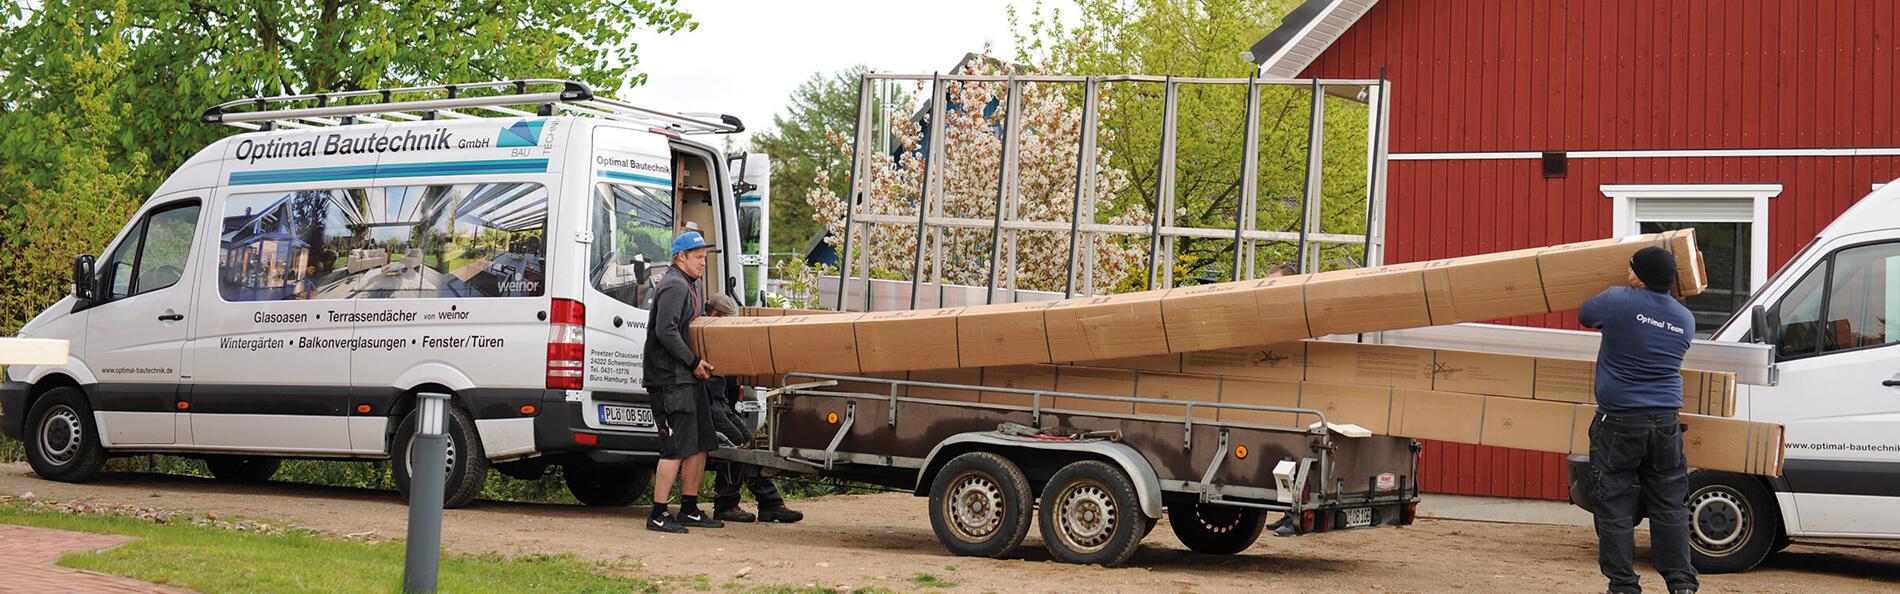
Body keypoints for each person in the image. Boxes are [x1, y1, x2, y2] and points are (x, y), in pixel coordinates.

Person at [1578, 246, 1698, 594]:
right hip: (1665, 425)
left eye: (1631, 268)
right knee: (1669, 506)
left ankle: (1624, 586)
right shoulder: (1684, 319)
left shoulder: (1618, 300)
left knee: (1614, 505)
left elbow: (1586, 314)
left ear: (1639, 275)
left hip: (1618, 424)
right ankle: (1681, 584)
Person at [642, 231, 723, 533]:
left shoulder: (693, 284)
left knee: (699, 444)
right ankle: (658, 514)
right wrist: (692, 361)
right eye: (698, 257)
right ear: (681, 257)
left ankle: (689, 508)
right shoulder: (674, 285)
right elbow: (666, 331)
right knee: (674, 448)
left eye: (705, 256)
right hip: (670, 379)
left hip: (690, 378)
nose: (703, 262)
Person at [700, 294, 805, 524]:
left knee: (752, 446)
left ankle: (771, 504)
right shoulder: (701, 336)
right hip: (708, 405)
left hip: (722, 405)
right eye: (725, 319)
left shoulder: (719, 339)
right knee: (737, 448)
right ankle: (725, 505)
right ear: (714, 316)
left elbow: (728, 385)